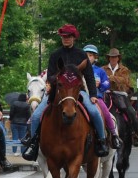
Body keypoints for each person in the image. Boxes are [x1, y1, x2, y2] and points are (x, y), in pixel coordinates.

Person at [21, 24, 109, 161]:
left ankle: (101, 141)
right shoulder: (55, 55)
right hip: (58, 91)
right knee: (37, 115)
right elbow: (50, 75)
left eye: (68, 37)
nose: (66, 39)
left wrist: (92, 95)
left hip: (78, 91)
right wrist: (58, 78)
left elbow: (90, 77)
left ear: (73, 37)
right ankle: (33, 143)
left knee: (94, 111)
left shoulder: (81, 54)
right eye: (63, 37)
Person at [83, 45, 123, 150]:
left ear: (95, 57)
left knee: (105, 111)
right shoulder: (79, 69)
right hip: (81, 97)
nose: (88, 57)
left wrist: (100, 84)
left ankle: (114, 135)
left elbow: (107, 84)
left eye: (90, 55)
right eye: (86, 55)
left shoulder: (99, 71)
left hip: (96, 98)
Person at [103, 47, 138, 141]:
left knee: (131, 112)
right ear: (109, 58)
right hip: (106, 94)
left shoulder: (124, 69)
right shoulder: (102, 68)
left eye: (115, 57)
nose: (113, 59)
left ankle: (136, 134)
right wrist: (113, 79)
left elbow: (124, 80)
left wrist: (110, 77)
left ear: (118, 58)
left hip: (120, 94)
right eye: (111, 57)